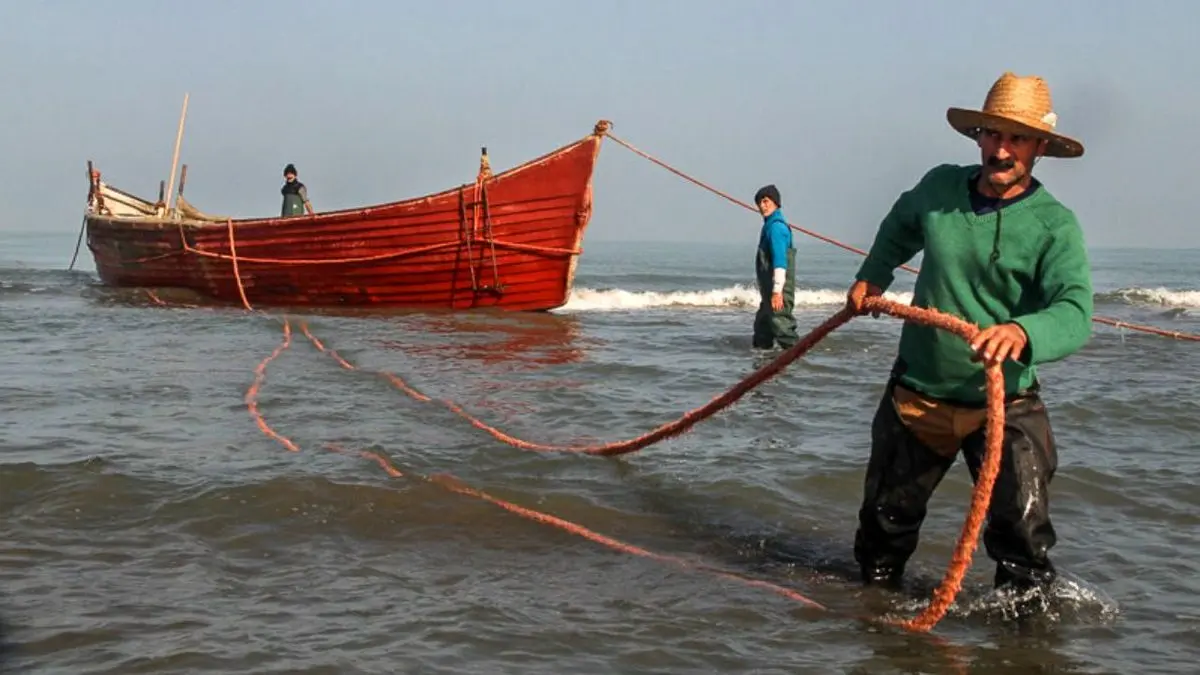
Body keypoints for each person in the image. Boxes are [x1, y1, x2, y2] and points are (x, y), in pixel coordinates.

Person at [845, 72, 1094, 595]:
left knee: (1023, 541)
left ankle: (1023, 648)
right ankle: (874, 626)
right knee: (883, 531)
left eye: (1017, 138)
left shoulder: (1055, 225)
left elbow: (1075, 312)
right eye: (993, 135)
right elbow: (899, 225)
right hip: (919, 396)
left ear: (1039, 148)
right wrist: (873, 274)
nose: (1002, 150)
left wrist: (1022, 331)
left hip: (1005, 404)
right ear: (977, 137)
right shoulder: (939, 189)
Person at [752, 184, 799, 350]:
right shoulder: (769, 226)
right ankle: (763, 368)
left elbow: (780, 261)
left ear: (776, 203)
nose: (762, 206)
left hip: (777, 290)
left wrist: (777, 292)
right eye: (759, 203)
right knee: (762, 329)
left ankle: (797, 361)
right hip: (768, 293)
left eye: (766, 201)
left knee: (782, 327)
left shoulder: (776, 228)